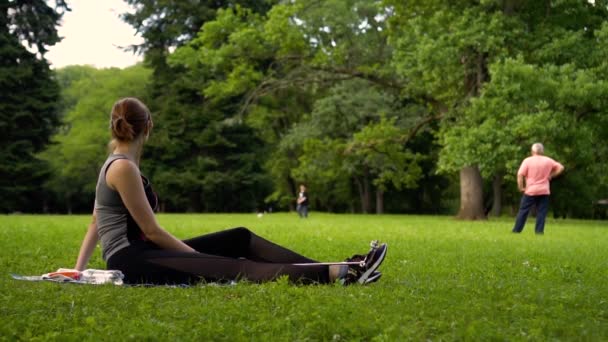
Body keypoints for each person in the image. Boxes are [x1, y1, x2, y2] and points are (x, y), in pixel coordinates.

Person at [73, 97, 387, 285]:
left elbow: (95, 220)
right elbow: (151, 231)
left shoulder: (117, 164)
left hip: (141, 254)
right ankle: (342, 273)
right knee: (237, 267)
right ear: (149, 126)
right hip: (134, 261)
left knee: (239, 237)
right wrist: (196, 256)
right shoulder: (123, 167)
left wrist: (77, 270)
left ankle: (333, 268)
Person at [512, 143, 564, 235]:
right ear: (542, 151)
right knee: (541, 212)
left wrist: (521, 187)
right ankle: (539, 231)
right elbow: (561, 167)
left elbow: (520, 175)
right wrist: (551, 175)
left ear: (532, 151)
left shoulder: (527, 161)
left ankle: (517, 230)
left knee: (523, 211)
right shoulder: (548, 160)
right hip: (544, 190)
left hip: (530, 190)